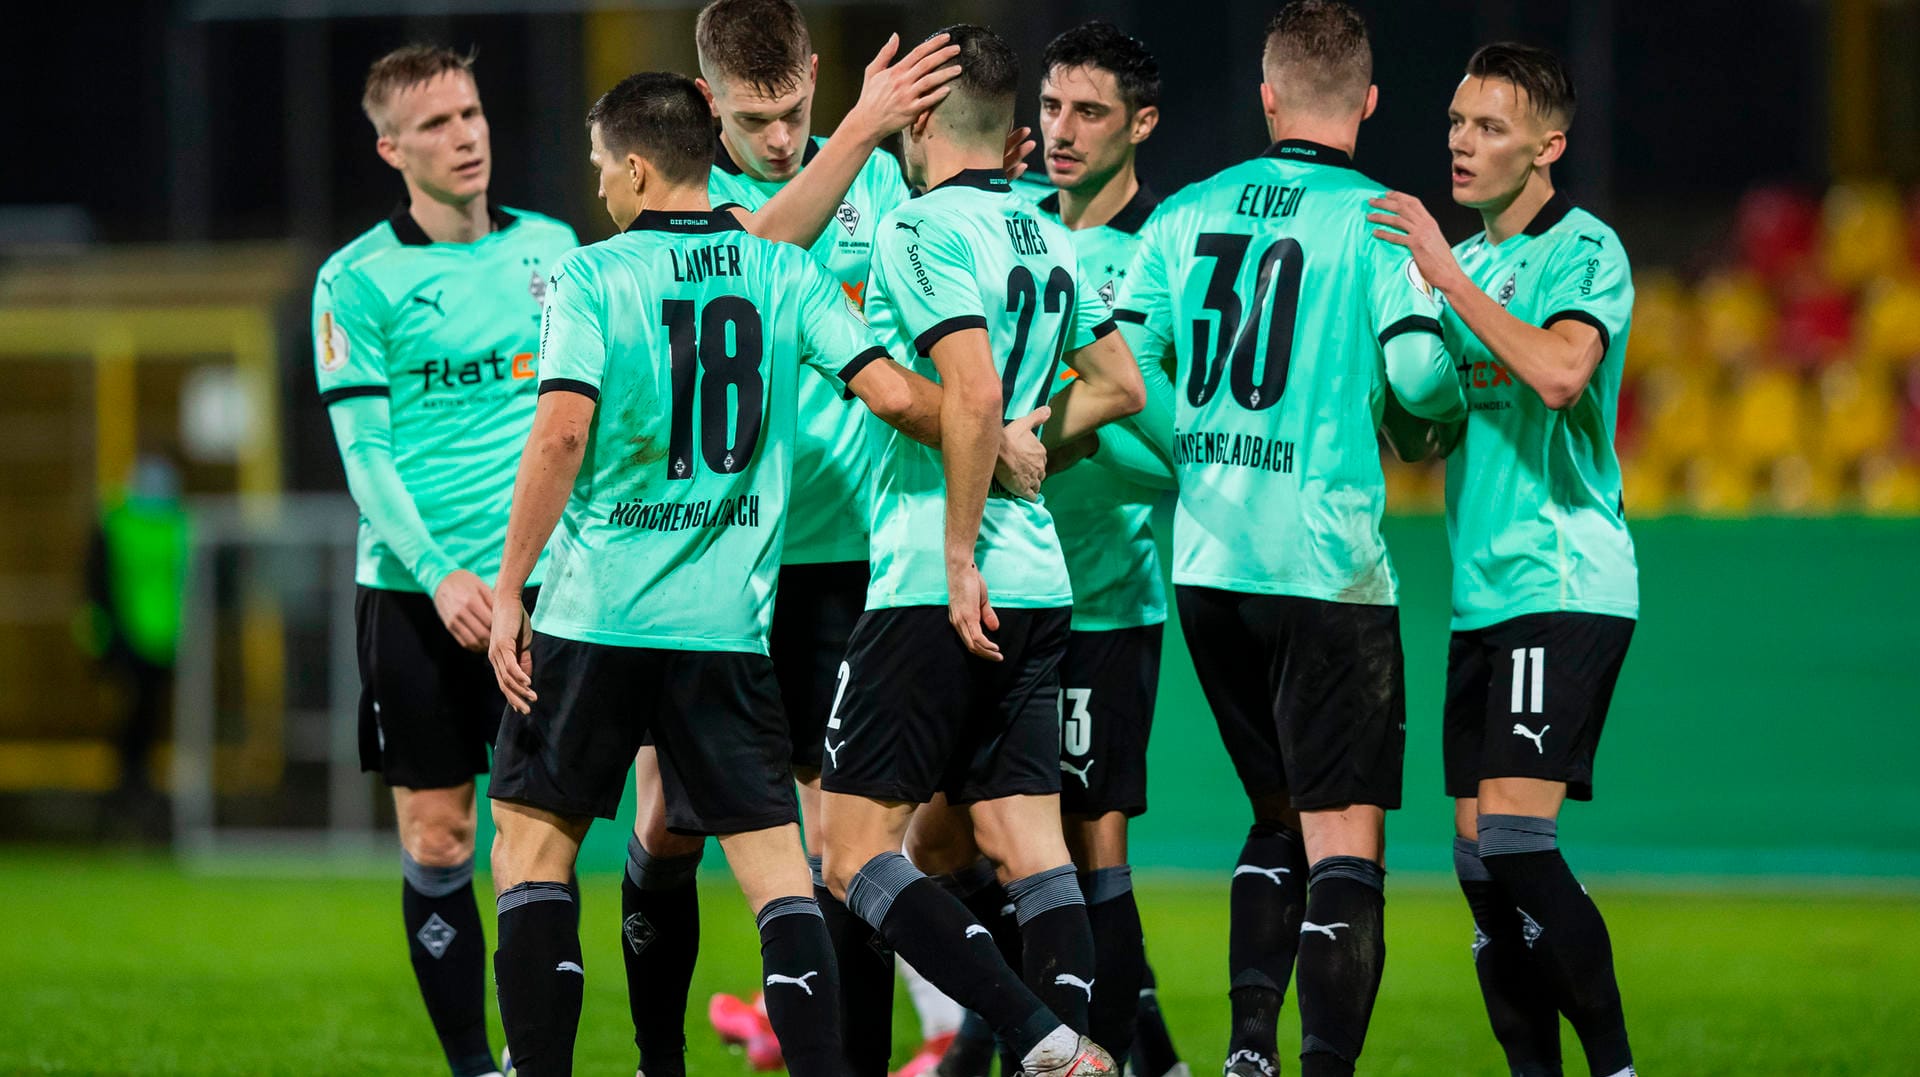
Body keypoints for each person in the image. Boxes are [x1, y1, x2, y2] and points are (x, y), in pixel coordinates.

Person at [480, 70, 1033, 1077]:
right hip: (728, 633)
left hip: (594, 616)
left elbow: (561, 433)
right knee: (786, 878)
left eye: (604, 166)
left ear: (638, 168)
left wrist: (511, 584)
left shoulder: (592, 278)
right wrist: (995, 447)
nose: (600, 183)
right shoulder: (783, 275)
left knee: (529, 853)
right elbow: (897, 398)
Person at [1116, 3, 1466, 1074]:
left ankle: (1250, 1051)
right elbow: (1415, 382)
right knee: (1345, 837)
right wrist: (1432, 423)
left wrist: (1201, 461)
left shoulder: (1185, 214)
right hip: (1326, 571)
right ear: (1365, 101)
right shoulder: (1383, 223)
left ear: (1269, 97)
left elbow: (1122, 381)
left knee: (1274, 817)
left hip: (1210, 570)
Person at [815, 23, 1146, 1077]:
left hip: (934, 581)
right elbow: (1121, 386)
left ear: (918, 123)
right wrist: (1038, 444)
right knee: (1031, 851)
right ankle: (1065, 1049)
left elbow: (973, 391)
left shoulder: (919, 228)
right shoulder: (1051, 234)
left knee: (851, 851)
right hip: (1047, 581)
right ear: (1013, 136)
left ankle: (1036, 1034)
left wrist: (960, 549)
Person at [1367, 41, 1641, 1077]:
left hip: (1563, 577)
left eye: (1490, 127)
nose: (1462, 144)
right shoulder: (1463, 266)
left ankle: (1613, 1067)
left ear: (1548, 146)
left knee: (1520, 847)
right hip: (1483, 600)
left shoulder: (1584, 249)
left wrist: (1442, 277)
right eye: (1454, 123)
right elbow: (1430, 437)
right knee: (1480, 867)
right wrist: (1396, 361)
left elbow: (1563, 372)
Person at [926, 21, 1190, 1077]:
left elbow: (1168, 447)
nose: (1063, 130)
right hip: (998, 580)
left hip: (1104, 601)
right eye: (1051, 107)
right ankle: (1148, 1057)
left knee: (1084, 849)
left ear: (1143, 125)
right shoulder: (1015, 225)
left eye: (1091, 111)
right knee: (949, 842)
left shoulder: (1157, 254)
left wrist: (1034, 444)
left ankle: (1044, 1058)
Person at [311, 44, 577, 1077]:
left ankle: (547, 1056)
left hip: (549, 591)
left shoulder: (555, 250)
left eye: (470, 113)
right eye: (434, 125)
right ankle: (476, 1067)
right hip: (418, 599)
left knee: (541, 840)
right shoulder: (356, 281)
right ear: (390, 149)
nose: (464, 136)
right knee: (437, 838)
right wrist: (441, 574)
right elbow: (365, 456)